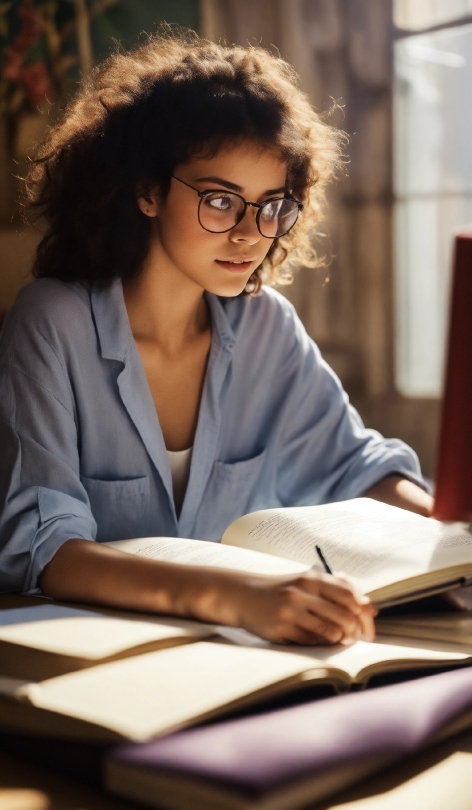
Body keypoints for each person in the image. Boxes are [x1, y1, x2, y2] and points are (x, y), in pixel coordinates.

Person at [0, 30, 432, 645]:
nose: (251, 234)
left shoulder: (266, 326)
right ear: (147, 190)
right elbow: (42, 546)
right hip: (93, 659)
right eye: (220, 200)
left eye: (271, 205)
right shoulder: (52, 323)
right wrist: (229, 596)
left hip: (241, 655)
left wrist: (449, 537)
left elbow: (353, 466)